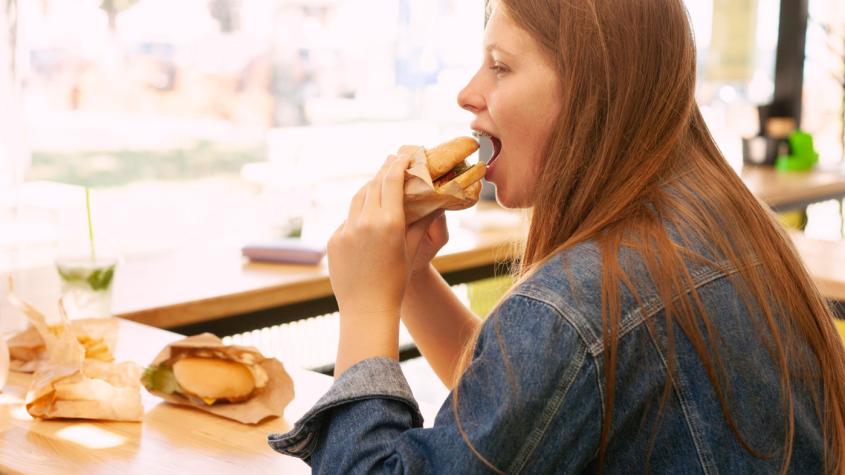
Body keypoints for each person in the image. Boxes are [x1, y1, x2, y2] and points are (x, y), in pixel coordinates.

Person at [268, 0, 845, 473]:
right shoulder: (712, 222)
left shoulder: (584, 295)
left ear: (593, 86)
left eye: (500, 65)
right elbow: (529, 412)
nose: (468, 93)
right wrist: (412, 275)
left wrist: (366, 303)